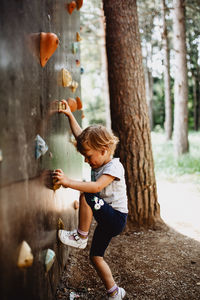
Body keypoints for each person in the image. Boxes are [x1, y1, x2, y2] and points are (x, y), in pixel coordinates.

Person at [53, 99, 128, 300]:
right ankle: (115, 292)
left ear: (104, 150)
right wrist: (70, 115)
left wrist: (68, 182)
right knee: (95, 257)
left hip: (116, 218)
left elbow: (95, 187)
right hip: (106, 218)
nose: (86, 160)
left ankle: (81, 236)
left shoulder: (114, 167)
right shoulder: (98, 154)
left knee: (88, 192)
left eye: (88, 156)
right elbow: (80, 136)